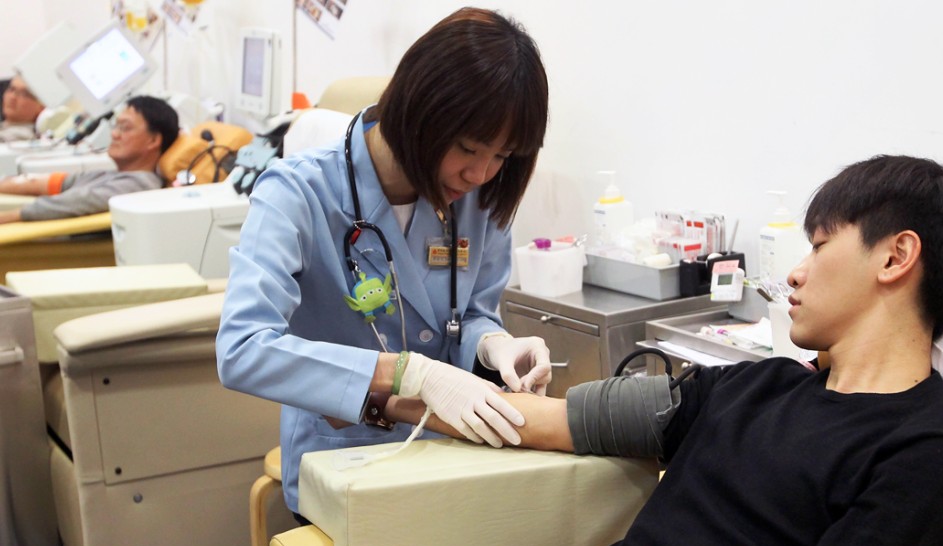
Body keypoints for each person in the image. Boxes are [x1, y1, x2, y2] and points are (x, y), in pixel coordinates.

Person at [0, 154, 943, 546]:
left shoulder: (924, 462)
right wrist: (429, 379)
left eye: (819, 239)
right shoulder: (754, 384)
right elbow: (546, 420)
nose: (792, 264)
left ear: (894, 257)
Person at [216, 7, 554, 515]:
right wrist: (406, 374)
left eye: (503, 156)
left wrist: (496, 344)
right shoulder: (298, 194)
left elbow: (470, 312)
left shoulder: (481, 200)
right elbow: (242, 349)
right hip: (344, 464)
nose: (481, 172)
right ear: (417, 109)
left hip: (453, 457)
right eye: (467, 147)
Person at [0, 95, 178, 224]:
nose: (114, 134)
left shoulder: (139, 185)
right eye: (116, 126)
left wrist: (9, 217)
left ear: (153, 140)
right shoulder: (111, 175)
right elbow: (56, 182)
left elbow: (77, 201)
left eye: (125, 128)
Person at [0, 75, 45, 143]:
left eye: (24, 94)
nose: (13, 97)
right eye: (11, 89)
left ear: (41, 107)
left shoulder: (22, 137)